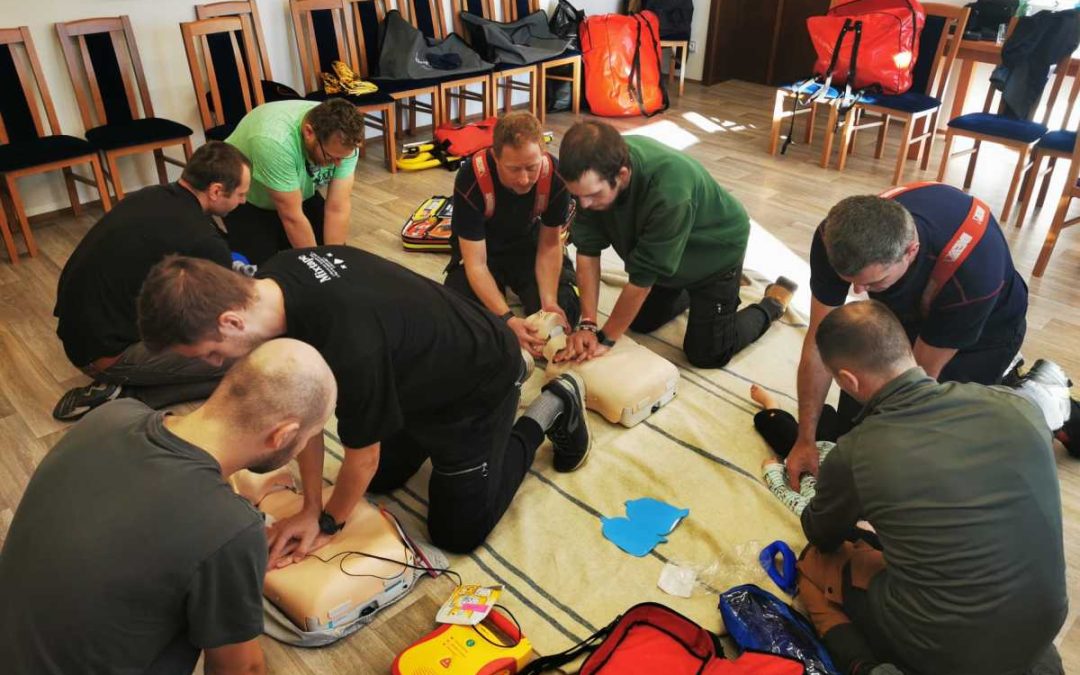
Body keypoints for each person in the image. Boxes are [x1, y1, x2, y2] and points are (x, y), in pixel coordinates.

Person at [135, 247, 593, 557]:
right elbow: (303, 415)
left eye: (212, 353)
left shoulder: (347, 340)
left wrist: (329, 524)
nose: (218, 365)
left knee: (456, 534)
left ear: (232, 320)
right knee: (378, 482)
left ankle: (552, 405)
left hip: (477, 381)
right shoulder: (275, 279)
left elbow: (364, 457)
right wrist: (311, 505)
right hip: (411, 375)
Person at [0, 339, 337, 675]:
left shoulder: (112, 415)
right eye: (309, 436)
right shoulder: (231, 529)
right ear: (283, 435)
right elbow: (241, 670)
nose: (304, 446)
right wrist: (233, 538)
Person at [795, 300, 1066, 675]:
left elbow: (821, 532)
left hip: (949, 648)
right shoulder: (1016, 405)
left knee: (813, 566)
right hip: (1044, 621)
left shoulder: (859, 451)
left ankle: (865, 666)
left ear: (848, 381)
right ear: (906, 350)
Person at [787, 182, 1030, 486]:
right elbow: (820, 343)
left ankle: (1038, 393)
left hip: (986, 329)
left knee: (932, 452)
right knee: (851, 429)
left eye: (872, 283)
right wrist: (805, 439)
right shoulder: (833, 237)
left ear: (910, 250)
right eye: (850, 282)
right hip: (913, 307)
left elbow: (913, 386)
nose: (858, 292)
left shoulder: (971, 279)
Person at [554, 120, 795, 367]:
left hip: (716, 250)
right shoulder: (594, 173)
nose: (584, 205)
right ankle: (690, 290)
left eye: (593, 195)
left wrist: (605, 340)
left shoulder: (669, 192)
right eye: (577, 195)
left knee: (708, 354)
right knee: (640, 321)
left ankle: (773, 303)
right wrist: (588, 323)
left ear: (622, 175)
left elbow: (640, 282)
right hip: (668, 250)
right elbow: (587, 253)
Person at [52, 141, 252, 421]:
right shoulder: (201, 239)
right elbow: (225, 316)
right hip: (107, 355)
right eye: (241, 194)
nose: (243, 201)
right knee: (247, 360)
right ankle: (126, 395)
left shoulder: (150, 195)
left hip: (78, 334)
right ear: (216, 190)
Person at [445, 111, 580, 356]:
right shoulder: (472, 177)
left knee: (565, 307)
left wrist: (548, 303)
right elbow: (476, 264)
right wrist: (507, 319)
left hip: (528, 245)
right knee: (462, 315)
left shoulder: (556, 176)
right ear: (496, 157)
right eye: (514, 169)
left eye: (531, 167)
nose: (524, 179)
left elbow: (550, 245)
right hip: (483, 248)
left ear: (542, 151)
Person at [224, 98, 363, 265]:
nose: (338, 164)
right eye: (331, 157)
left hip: (298, 194)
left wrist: (332, 263)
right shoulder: (274, 141)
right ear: (309, 132)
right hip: (247, 199)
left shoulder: (344, 141)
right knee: (266, 271)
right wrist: (317, 268)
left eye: (343, 158)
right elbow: (291, 217)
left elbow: (337, 207)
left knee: (336, 259)